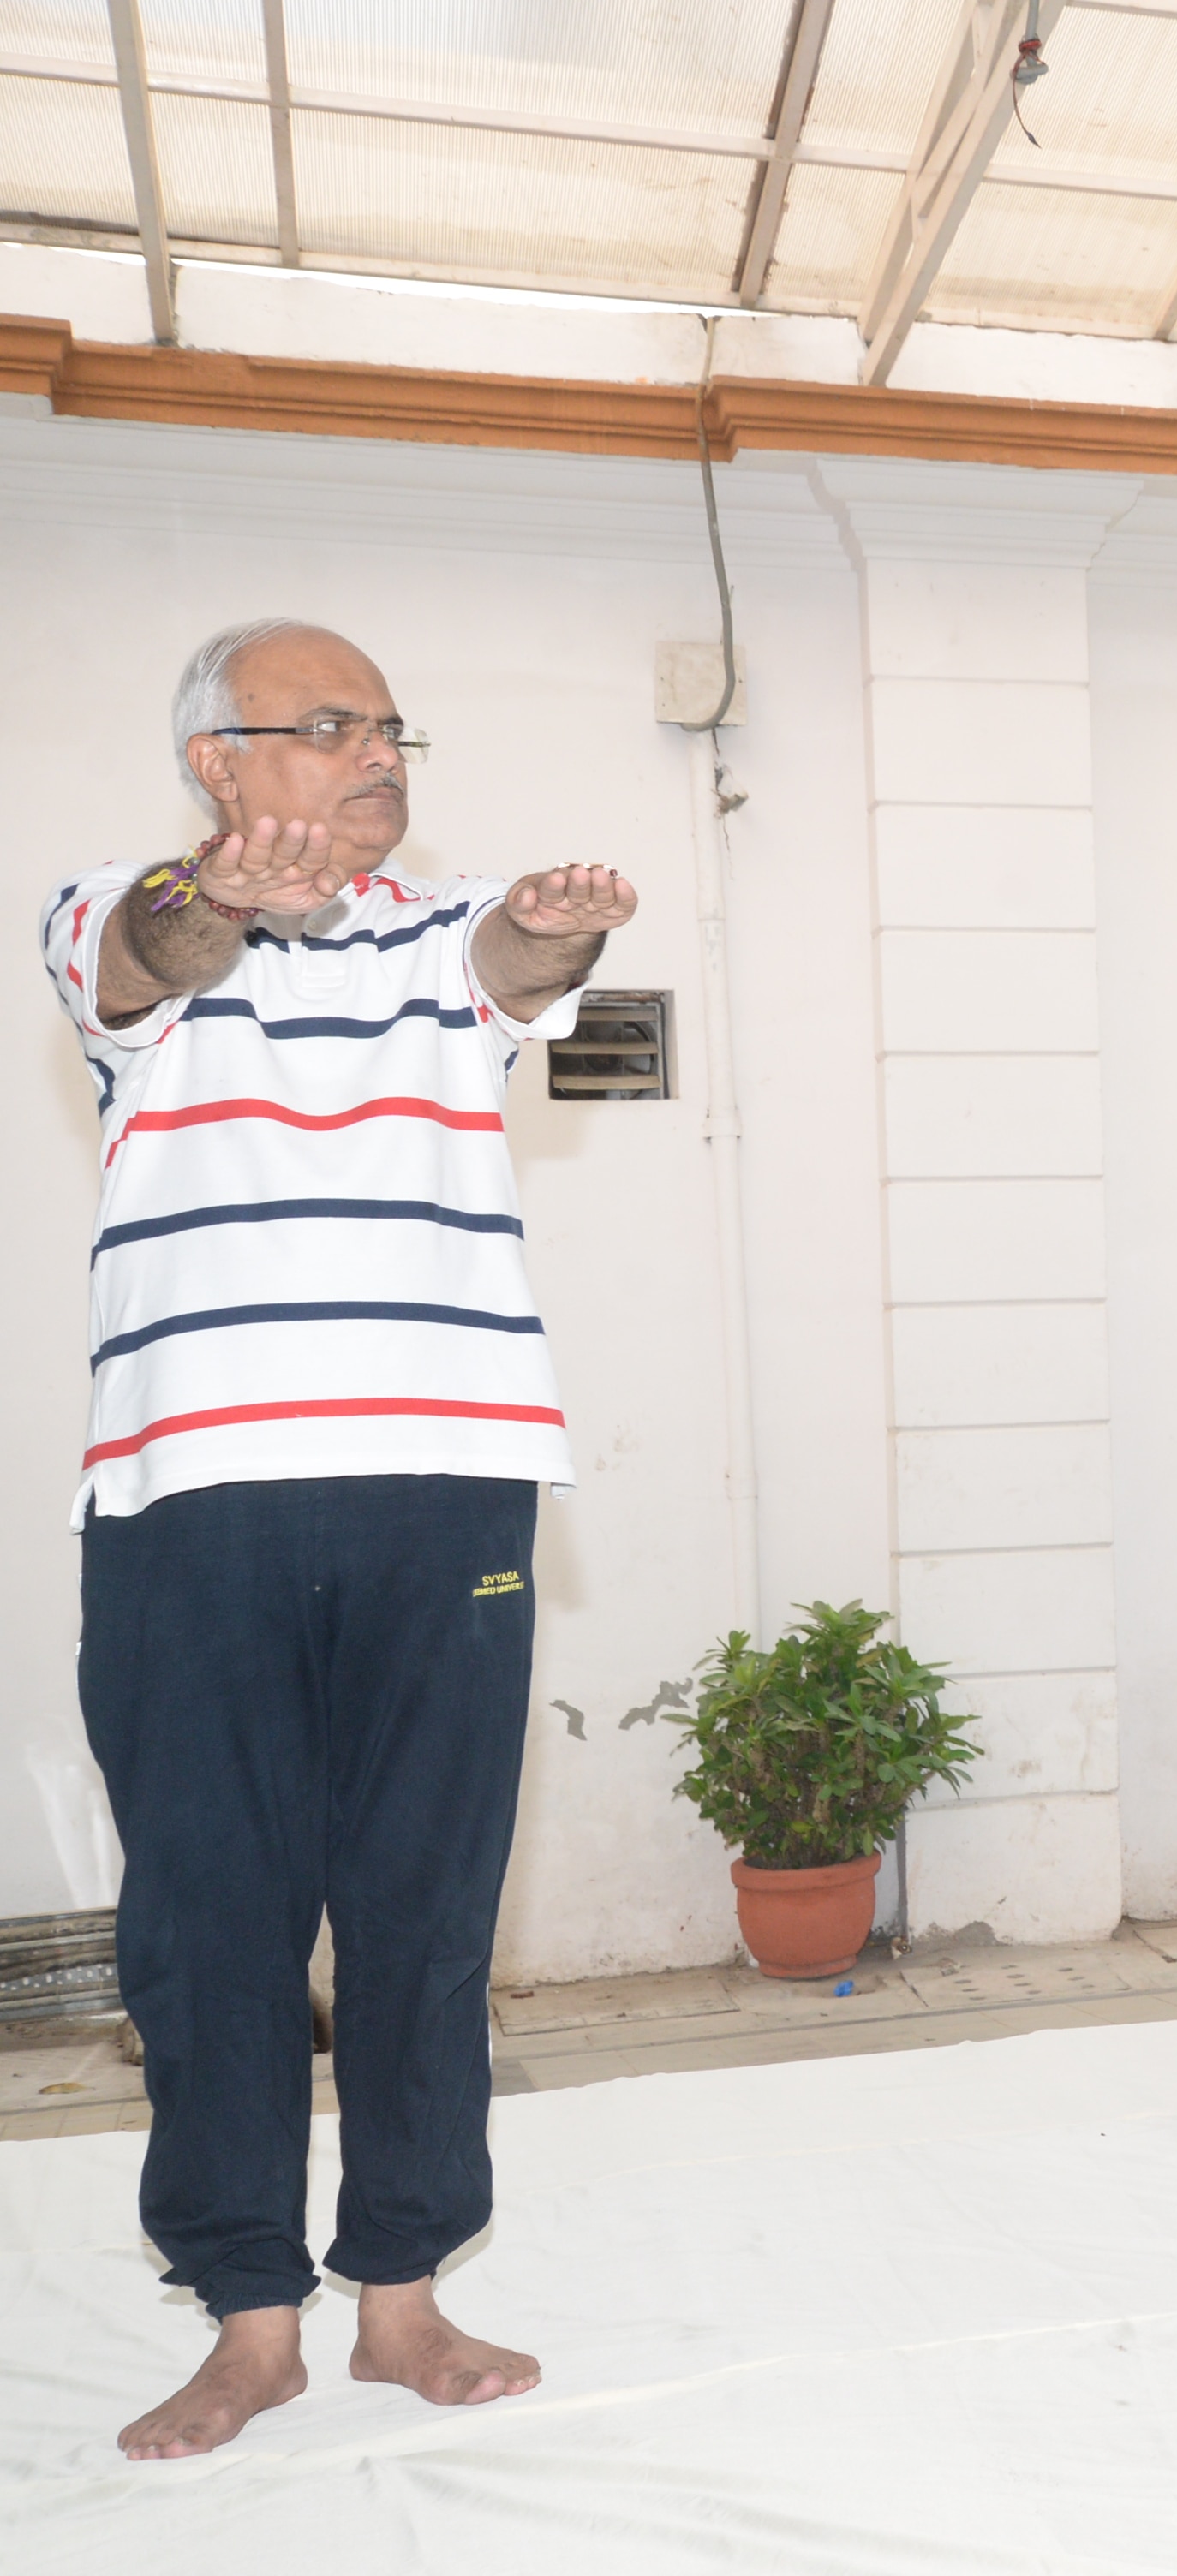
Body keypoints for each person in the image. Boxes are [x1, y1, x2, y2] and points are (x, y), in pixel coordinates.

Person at [46, 617, 636, 2457]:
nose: (380, 752)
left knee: (423, 1906)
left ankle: (401, 2295)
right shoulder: (106, 909)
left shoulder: (431, 930)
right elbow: (162, 944)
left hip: (446, 1476)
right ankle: (246, 2315)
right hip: (191, 1494)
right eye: (330, 725)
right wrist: (211, 893)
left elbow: (528, 958)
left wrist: (562, 921)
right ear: (221, 758)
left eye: (392, 724)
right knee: (210, 1923)